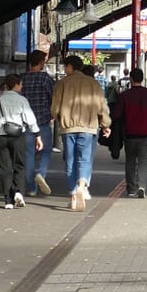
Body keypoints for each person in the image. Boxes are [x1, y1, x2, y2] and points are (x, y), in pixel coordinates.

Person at [51, 54, 112, 210]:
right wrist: (105, 124)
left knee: (70, 161)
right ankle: (81, 186)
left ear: (71, 66)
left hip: (68, 128)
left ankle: (72, 195)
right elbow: (101, 106)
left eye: (66, 66)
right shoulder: (93, 84)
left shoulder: (62, 84)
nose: (65, 69)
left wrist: (58, 118)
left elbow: (55, 108)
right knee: (84, 159)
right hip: (88, 126)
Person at [0, 73, 42, 209]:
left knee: (4, 168)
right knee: (19, 165)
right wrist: (37, 135)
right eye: (21, 84)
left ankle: (8, 200)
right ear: (16, 85)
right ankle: (18, 191)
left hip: (0, 136)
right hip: (17, 136)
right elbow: (30, 118)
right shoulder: (21, 100)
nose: (22, 86)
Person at [115, 68, 147, 198]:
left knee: (130, 161)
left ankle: (131, 188)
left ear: (131, 79)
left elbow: (117, 114)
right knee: (143, 160)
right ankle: (141, 185)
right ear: (142, 79)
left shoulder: (124, 96)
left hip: (130, 134)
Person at [18, 50, 56, 197]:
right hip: (43, 120)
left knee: (29, 155)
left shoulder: (22, 78)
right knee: (46, 150)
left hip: (26, 122)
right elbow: (53, 97)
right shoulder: (45, 79)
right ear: (41, 62)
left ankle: (32, 188)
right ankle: (41, 173)